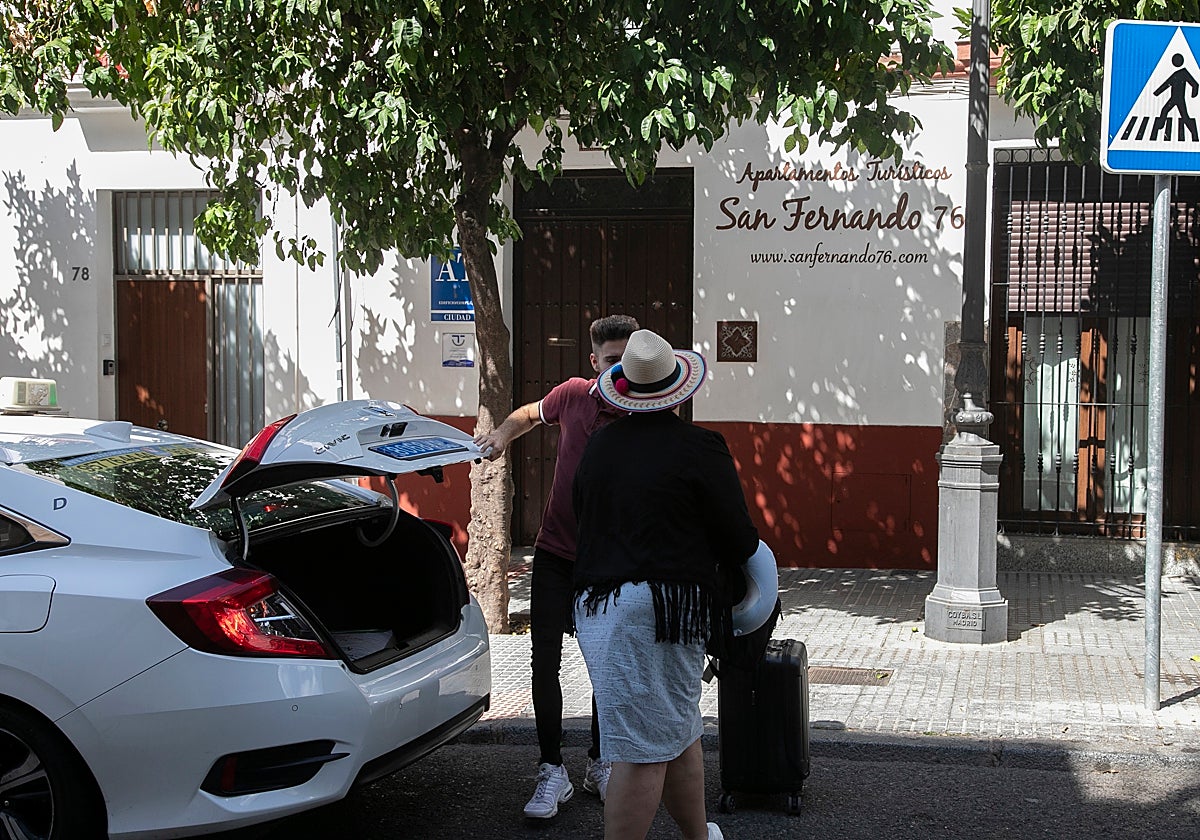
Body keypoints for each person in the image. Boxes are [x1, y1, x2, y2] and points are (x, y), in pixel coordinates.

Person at [572, 330, 760, 840]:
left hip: (598, 608)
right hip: (662, 611)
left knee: (678, 731)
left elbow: (582, 517)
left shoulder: (600, 447)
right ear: (680, 390)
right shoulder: (701, 448)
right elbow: (739, 538)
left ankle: (699, 836)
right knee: (642, 750)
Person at [473, 313, 639, 819]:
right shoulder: (572, 395)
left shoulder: (646, 412)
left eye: (628, 360)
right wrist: (501, 435)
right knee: (544, 662)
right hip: (554, 555)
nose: (620, 369)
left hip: (610, 562)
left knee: (606, 665)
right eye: (612, 360)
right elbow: (528, 414)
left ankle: (599, 762)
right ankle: (551, 770)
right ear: (594, 362)